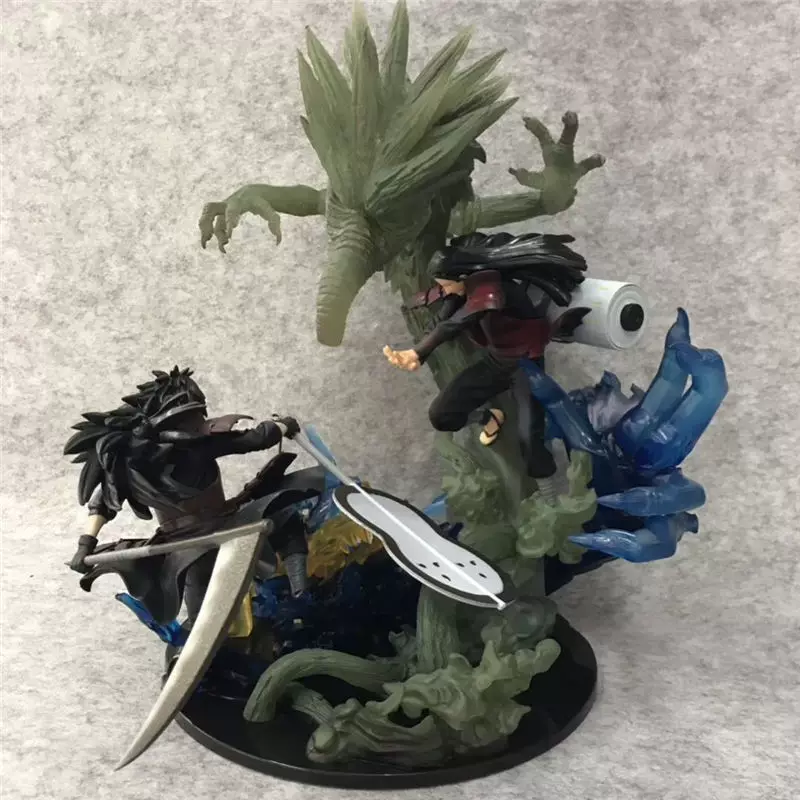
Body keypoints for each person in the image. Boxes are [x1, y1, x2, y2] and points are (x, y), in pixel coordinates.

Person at [64, 366, 309, 624]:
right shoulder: (196, 444)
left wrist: (85, 545)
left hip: (181, 548)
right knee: (287, 523)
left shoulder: (127, 462)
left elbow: (102, 506)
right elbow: (257, 438)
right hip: (222, 529)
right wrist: (283, 424)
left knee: (201, 609)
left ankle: (296, 599)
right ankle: (302, 596)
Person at [384, 231, 590, 492]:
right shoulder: (465, 289)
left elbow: (455, 323)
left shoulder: (493, 290)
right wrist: (420, 350)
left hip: (526, 365)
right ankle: (488, 418)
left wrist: (417, 352)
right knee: (441, 415)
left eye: (447, 284)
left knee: (529, 438)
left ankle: (549, 493)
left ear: (462, 277)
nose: (446, 290)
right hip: (496, 362)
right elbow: (442, 319)